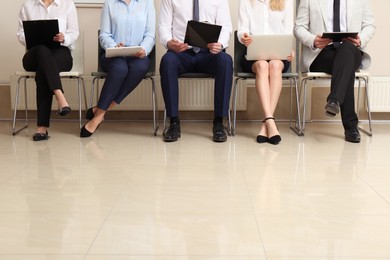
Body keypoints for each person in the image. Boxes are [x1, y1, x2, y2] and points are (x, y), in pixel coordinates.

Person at [294, 0, 375, 143]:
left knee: (347, 50)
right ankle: (351, 127)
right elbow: (298, 27)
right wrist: (313, 40)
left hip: (351, 50)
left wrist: (360, 39)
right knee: (346, 67)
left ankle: (334, 100)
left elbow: (369, 25)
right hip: (321, 54)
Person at [158, 0, 233, 143]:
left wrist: (220, 44)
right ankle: (173, 122)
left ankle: (219, 122)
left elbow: (226, 27)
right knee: (167, 61)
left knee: (226, 61)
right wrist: (169, 42)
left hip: (209, 53)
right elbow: (164, 26)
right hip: (181, 52)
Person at [80, 0, 156, 138]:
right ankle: (99, 115)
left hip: (137, 55)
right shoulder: (110, 3)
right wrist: (114, 46)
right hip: (113, 55)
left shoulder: (147, 3)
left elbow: (150, 34)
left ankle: (99, 113)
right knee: (120, 68)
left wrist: (144, 49)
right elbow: (104, 35)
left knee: (141, 67)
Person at [16, 0, 79, 141]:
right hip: (34, 53)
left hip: (60, 53)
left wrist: (64, 38)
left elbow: (74, 32)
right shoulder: (27, 6)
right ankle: (60, 95)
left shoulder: (68, 4)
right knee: (42, 50)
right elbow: (20, 33)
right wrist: (32, 35)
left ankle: (42, 128)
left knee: (43, 70)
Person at [237, 0, 294, 145]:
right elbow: (242, 28)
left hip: (278, 56)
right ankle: (270, 122)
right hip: (253, 56)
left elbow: (288, 32)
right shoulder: (246, 2)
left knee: (274, 65)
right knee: (262, 66)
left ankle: (266, 123)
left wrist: (289, 49)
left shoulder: (286, 2)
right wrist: (244, 36)